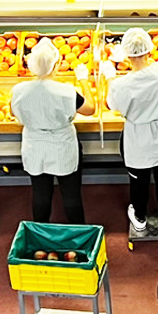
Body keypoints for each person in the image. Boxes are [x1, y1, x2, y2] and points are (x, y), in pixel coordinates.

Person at [105, 28, 158, 232]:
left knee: (138, 181)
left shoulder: (120, 85)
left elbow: (111, 105)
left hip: (137, 140)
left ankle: (139, 218)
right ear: (150, 49)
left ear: (125, 53)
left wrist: (109, 79)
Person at [10, 39, 96, 224]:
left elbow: (12, 111)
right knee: (71, 193)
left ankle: (41, 232)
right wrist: (83, 80)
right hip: (62, 145)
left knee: (40, 193)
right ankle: (78, 232)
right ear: (56, 65)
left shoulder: (18, 90)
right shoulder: (65, 91)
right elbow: (90, 109)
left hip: (35, 145)